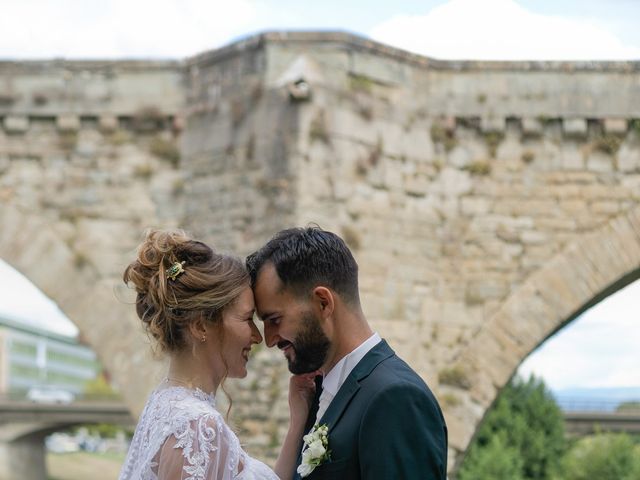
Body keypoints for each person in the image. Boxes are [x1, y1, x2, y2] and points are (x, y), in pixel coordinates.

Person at [246, 227, 448, 479]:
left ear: (323, 302)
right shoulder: (317, 394)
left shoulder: (395, 398)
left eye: (275, 319)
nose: (269, 339)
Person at [119, 229, 315, 480]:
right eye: (247, 319)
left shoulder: (164, 406)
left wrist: (298, 419)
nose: (258, 337)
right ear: (201, 326)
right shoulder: (197, 427)